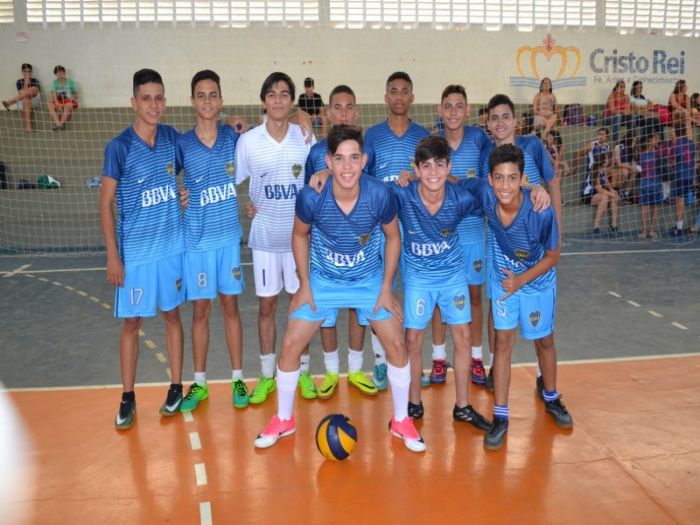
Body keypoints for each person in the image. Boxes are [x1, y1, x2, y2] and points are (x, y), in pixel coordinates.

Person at [254, 124, 425, 452]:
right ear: (328, 162)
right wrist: (305, 285)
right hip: (324, 280)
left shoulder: (379, 195)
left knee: (396, 343)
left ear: (364, 161)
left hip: (368, 280)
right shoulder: (312, 196)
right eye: (340, 158)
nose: (347, 166)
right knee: (290, 343)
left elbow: (393, 237)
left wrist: (386, 287)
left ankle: (402, 420)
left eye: (354, 158)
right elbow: (299, 235)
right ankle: (284, 419)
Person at [467, 144, 572, 450]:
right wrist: (412, 177)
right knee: (502, 342)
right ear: (490, 179)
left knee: (544, 341)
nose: (505, 185)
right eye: (499, 178)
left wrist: (521, 281)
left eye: (513, 178)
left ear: (523, 179)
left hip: (537, 280)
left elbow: (553, 256)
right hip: (504, 278)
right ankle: (500, 415)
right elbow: (457, 182)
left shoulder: (541, 211)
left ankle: (551, 397)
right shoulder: (485, 193)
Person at [99, 68, 185, 430]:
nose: (153, 105)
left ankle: (176, 387)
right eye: (146, 98)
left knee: (172, 316)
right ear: (134, 102)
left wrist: (184, 195)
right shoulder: (119, 147)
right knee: (132, 323)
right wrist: (113, 256)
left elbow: (204, 150)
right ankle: (127, 396)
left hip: (171, 249)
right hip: (135, 254)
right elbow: (105, 204)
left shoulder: (171, 138)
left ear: (165, 101)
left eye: (159, 98)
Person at [391, 135, 490, 430]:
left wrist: (534, 188)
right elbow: (364, 189)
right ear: (416, 169)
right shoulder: (403, 194)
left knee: (463, 337)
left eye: (439, 165)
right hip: (418, 278)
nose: (433, 172)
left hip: (452, 276)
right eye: (426, 166)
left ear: (449, 168)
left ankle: (463, 406)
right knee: (412, 339)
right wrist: (326, 173)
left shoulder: (461, 198)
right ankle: (413, 404)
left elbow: (493, 188)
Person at [235, 72, 316, 404]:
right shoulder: (249, 142)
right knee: (267, 305)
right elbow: (236, 181)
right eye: (272, 94)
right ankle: (267, 374)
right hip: (265, 238)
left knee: (301, 305)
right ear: (263, 101)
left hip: (300, 239)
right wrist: (248, 204)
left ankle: (304, 372)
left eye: (284, 94)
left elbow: (318, 179)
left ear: (292, 101)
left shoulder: (305, 136)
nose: (278, 100)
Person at [174, 70, 247, 412]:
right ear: (192, 100)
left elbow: (269, 129)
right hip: (196, 242)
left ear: (220, 100)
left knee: (231, 307)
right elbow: (165, 179)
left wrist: (302, 116)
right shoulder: (182, 143)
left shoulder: (234, 136)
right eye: (201, 95)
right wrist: (177, 193)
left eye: (212, 95)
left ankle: (237, 378)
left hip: (227, 238)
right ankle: (200, 383)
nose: (207, 101)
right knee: (200, 311)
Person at [479, 94, 561, 397]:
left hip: (534, 238)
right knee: (498, 300)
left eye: (505, 116)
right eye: (494, 118)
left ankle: (544, 377)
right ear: (488, 124)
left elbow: (552, 183)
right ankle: (495, 365)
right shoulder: (487, 155)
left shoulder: (533, 145)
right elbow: (486, 187)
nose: (500, 123)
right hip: (501, 238)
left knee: (540, 322)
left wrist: (556, 224)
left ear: (515, 121)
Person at [304, 84, 377, 398]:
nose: (344, 113)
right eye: (338, 107)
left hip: (360, 244)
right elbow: (307, 199)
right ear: (328, 112)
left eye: (349, 107)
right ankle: (332, 371)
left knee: (358, 307)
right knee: (327, 310)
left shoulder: (366, 150)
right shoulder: (315, 153)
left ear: (356, 112)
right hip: (326, 245)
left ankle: (356, 369)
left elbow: (370, 190)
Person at [363, 71, 430, 390]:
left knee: (416, 293)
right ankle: (380, 361)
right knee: (381, 293)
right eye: (394, 91)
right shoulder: (372, 136)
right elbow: (361, 179)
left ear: (412, 97)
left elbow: (435, 180)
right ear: (386, 97)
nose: (399, 96)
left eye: (405, 91)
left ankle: (415, 361)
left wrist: (416, 177)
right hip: (380, 230)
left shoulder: (424, 137)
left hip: (415, 229)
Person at [429, 85, 491, 389]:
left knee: (474, 296)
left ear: (467, 110)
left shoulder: (480, 140)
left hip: (472, 233)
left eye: (459, 106)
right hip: (442, 235)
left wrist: (454, 182)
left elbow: (485, 185)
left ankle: (476, 357)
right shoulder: (434, 143)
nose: (453, 112)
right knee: (439, 298)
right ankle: (439, 358)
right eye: (448, 106)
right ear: (440, 110)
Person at [669, 118, 696, 237]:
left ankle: (679, 229)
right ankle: (679, 225)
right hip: (690, 175)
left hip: (680, 175)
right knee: (683, 201)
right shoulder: (692, 143)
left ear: (676, 132)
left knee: (678, 202)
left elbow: (673, 163)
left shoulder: (675, 146)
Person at [577, 127, 611, 203]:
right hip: (591, 178)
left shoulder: (607, 147)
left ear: (607, 137)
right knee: (606, 197)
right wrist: (575, 169)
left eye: (602, 134)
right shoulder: (592, 145)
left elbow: (606, 160)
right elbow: (579, 153)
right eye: (599, 134)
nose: (600, 136)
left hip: (599, 175)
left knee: (611, 198)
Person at [638, 131, 662, 239]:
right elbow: (638, 168)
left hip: (656, 183)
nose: (657, 140)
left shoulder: (659, 154)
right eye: (655, 138)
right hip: (645, 183)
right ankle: (644, 230)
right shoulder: (642, 154)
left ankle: (652, 230)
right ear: (649, 140)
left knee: (655, 207)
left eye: (658, 138)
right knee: (645, 207)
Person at [3, 63, 40, 132]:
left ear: (31, 72)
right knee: (26, 98)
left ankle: (10, 102)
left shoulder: (35, 80)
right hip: (22, 102)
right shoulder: (19, 81)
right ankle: (28, 128)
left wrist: (28, 81)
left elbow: (35, 92)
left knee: (33, 89)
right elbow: (22, 94)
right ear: (22, 72)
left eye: (29, 71)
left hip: (34, 101)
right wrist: (26, 81)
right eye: (25, 71)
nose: (27, 73)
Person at [589, 153, 620, 236]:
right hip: (591, 195)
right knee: (605, 197)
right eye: (607, 159)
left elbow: (607, 183)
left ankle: (613, 225)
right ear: (602, 161)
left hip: (601, 194)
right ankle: (596, 227)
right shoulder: (595, 170)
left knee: (613, 197)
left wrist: (613, 191)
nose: (608, 160)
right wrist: (611, 194)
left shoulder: (603, 170)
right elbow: (599, 189)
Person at [48, 65, 78, 131]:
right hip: (59, 101)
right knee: (50, 105)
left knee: (67, 105)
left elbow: (76, 95)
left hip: (69, 101)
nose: (59, 73)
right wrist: (57, 103)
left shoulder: (71, 82)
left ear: (64, 73)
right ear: (55, 74)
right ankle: (58, 124)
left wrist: (71, 99)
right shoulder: (55, 82)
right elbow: (53, 93)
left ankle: (60, 124)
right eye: (57, 72)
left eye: (61, 71)